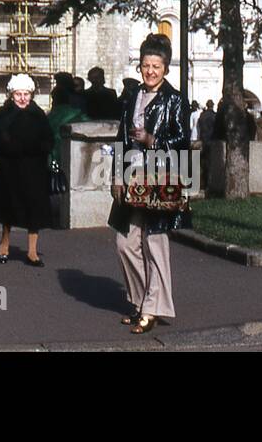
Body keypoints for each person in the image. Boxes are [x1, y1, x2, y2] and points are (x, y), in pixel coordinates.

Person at [108, 32, 191, 335]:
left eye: (156, 66)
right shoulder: (132, 96)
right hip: (131, 181)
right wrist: (116, 176)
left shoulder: (175, 99)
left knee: (155, 244)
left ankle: (151, 308)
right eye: (146, 65)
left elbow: (183, 141)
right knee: (124, 243)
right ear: (140, 66)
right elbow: (121, 138)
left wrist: (152, 140)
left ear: (165, 68)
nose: (151, 71)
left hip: (160, 181)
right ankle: (142, 300)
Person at [0, 73, 53, 267]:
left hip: (34, 168)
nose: (23, 98)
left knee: (34, 209)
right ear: (11, 95)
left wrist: (39, 147)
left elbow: (48, 138)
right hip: (10, 167)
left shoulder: (38, 113)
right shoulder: (3, 113)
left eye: (26, 94)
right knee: (8, 207)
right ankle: (4, 243)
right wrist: (14, 147)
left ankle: (32, 251)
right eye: (18, 94)